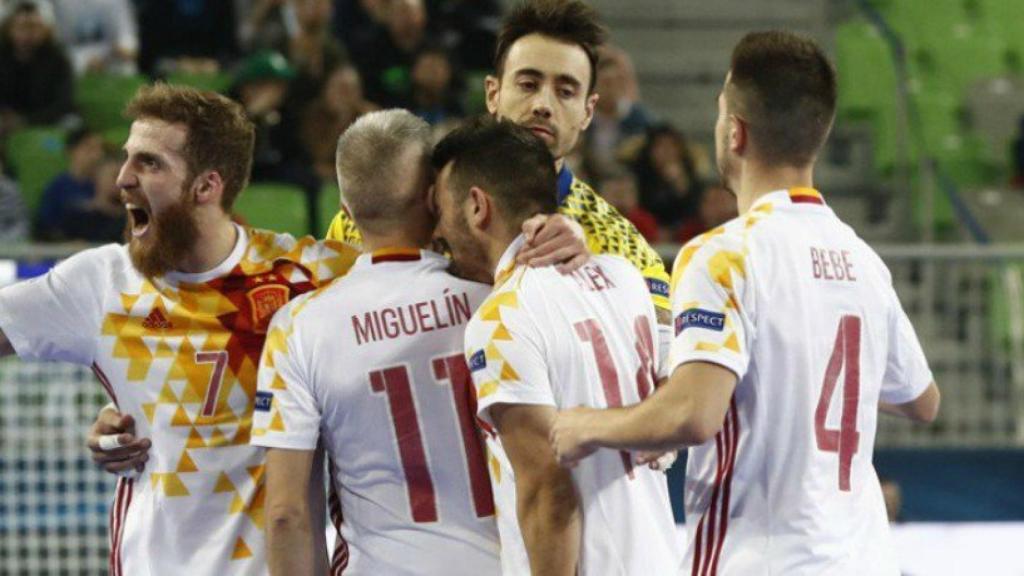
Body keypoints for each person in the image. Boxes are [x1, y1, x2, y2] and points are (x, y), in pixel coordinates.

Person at [549, 31, 941, 575]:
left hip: (765, 561)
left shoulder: (724, 254)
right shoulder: (863, 260)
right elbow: (922, 401)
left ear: (735, 132)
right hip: (865, 559)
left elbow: (692, 414)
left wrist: (587, 425)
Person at [0, 83, 365, 575]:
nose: (122, 179)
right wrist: (124, 414)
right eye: (127, 159)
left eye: (149, 163)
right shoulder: (103, 281)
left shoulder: (305, 275)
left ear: (207, 186)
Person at [325, 0, 673, 340]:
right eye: (528, 84)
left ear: (588, 111)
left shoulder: (616, 241)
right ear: (492, 93)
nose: (543, 105)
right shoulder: (396, 206)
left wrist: (592, 277)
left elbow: (661, 349)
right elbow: (326, 320)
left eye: (565, 91)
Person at [252, 110, 500, 575]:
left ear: (345, 211)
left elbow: (286, 515)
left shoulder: (299, 325)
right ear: (435, 198)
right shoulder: (496, 299)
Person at [433, 116, 679, 575]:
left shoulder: (501, 319)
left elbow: (549, 488)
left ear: (475, 206)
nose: (437, 231)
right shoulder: (625, 278)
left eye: (441, 208)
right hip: (659, 555)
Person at [0, 0, 75, 135]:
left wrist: (26, 120)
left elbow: (64, 103)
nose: (28, 34)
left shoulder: (58, 60)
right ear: (9, 29)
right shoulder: (3, 57)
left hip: (46, 121)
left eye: (34, 27)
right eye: (22, 27)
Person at [36, 126, 106, 240]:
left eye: (100, 149)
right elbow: (45, 227)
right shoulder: (57, 188)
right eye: (90, 149)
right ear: (71, 151)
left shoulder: (109, 186)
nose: (97, 155)